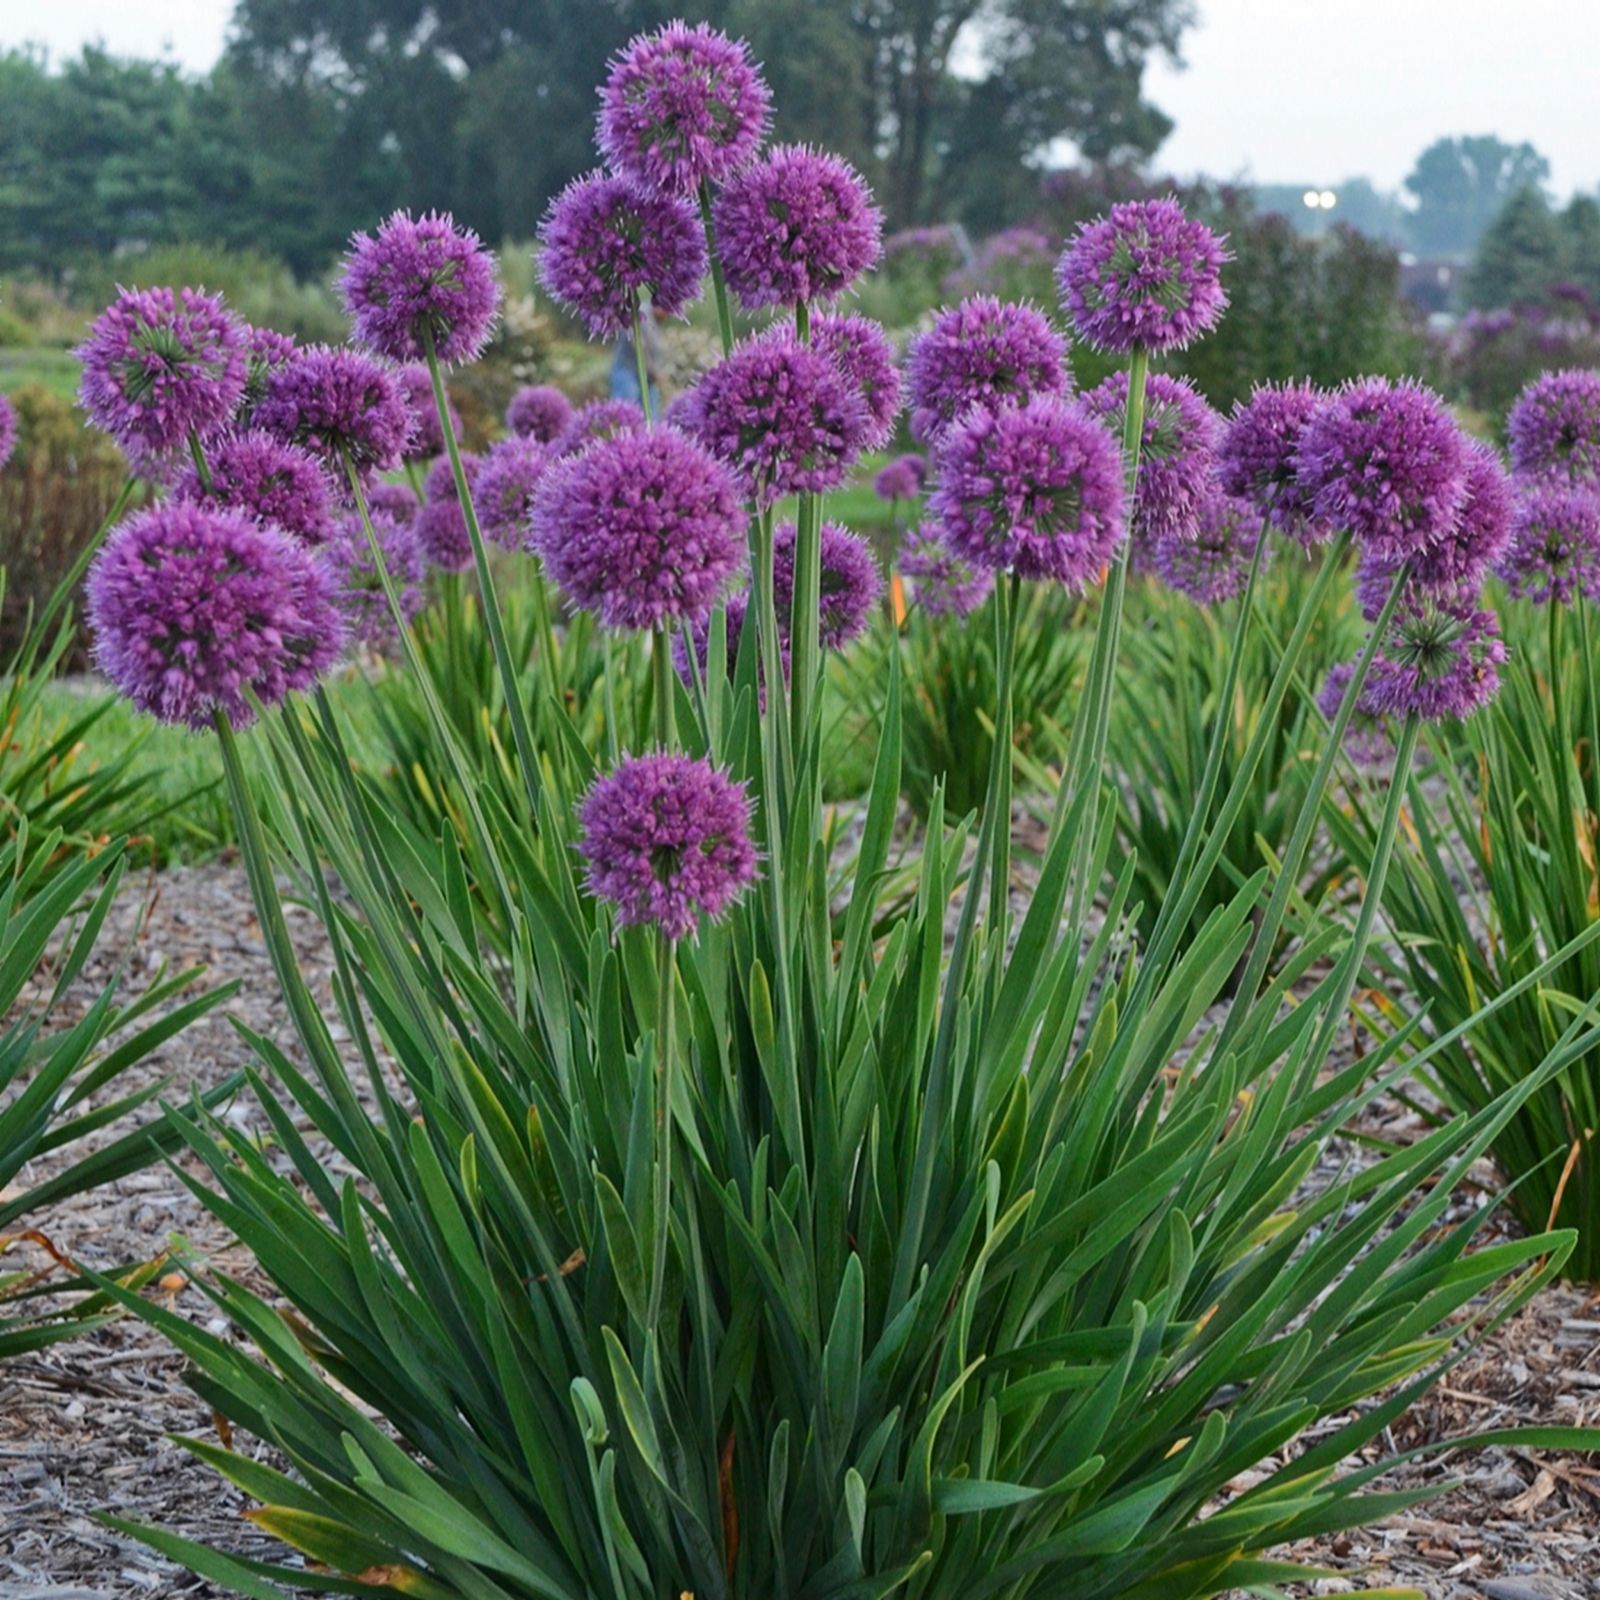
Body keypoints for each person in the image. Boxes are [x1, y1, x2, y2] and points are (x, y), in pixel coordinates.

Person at [611, 304, 665, 411]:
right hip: (627, 370)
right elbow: (638, 344)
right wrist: (653, 371)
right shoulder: (639, 312)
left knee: (652, 415)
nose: (669, 316)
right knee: (626, 409)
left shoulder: (658, 320)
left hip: (648, 377)